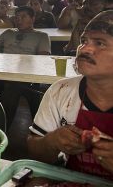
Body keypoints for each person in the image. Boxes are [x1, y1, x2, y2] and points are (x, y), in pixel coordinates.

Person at [28, 10, 113, 180]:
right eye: (84, 41)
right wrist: (52, 141)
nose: (85, 48)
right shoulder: (61, 91)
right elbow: (34, 152)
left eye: (99, 43)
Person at [0, 6, 51, 128]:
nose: (19, 20)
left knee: (13, 88)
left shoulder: (41, 36)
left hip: (26, 77)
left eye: (23, 17)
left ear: (32, 19)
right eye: (17, 17)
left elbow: (43, 60)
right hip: (2, 72)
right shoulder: (8, 32)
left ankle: (2, 127)